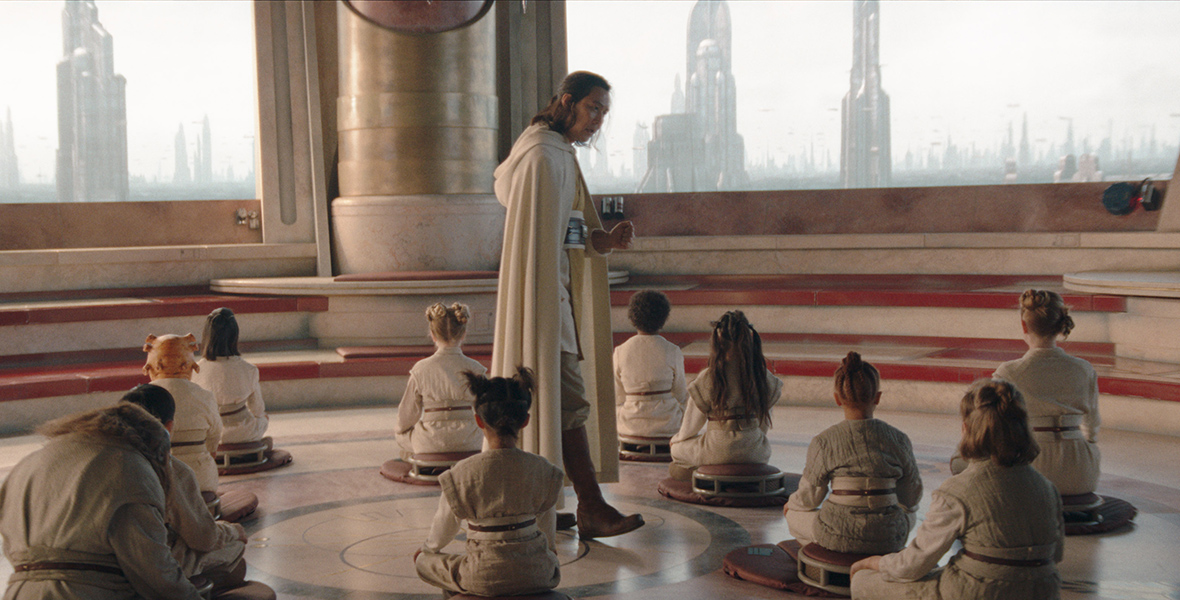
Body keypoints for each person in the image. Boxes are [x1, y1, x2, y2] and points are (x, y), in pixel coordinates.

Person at [491, 70, 642, 538]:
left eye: (604, 113)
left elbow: (564, 230)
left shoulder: (556, 154)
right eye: (593, 108)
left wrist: (604, 240)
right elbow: (539, 240)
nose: (597, 120)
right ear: (566, 101)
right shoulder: (541, 155)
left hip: (554, 299)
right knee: (568, 403)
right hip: (543, 305)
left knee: (563, 403)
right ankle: (589, 507)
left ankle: (554, 503)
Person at [849, 379, 1064, 600]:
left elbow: (912, 566)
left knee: (864, 581)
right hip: (1044, 591)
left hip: (978, 592)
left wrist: (874, 562)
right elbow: (1056, 555)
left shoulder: (958, 490)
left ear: (966, 429)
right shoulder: (1047, 488)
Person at [0, 403, 204, 599]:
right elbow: (155, 572)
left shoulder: (29, 463)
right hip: (86, 593)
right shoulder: (130, 468)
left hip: (18, 591)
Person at [414, 367, 565, 597]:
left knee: (424, 562)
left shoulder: (461, 473)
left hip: (481, 575)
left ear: (478, 420)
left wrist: (427, 550)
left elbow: (443, 529)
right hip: (538, 573)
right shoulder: (544, 470)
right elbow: (548, 531)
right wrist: (549, 552)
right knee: (549, 557)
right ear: (525, 420)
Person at [784, 352, 922, 554]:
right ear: (878, 397)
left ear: (837, 399)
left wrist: (791, 504)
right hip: (889, 535)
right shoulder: (899, 439)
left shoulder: (824, 441)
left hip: (838, 533)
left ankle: (824, 550)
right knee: (911, 512)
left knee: (793, 513)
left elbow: (809, 498)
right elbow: (911, 497)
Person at [120, 384, 249, 591]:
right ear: (170, 426)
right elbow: (203, 538)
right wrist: (232, 531)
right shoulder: (172, 470)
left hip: (91, 571)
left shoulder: (98, 459)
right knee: (234, 547)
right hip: (146, 570)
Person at [993, 289, 1100, 495]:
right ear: (1061, 324)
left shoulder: (1008, 372)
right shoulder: (1084, 369)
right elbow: (1092, 427)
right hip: (1081, 474)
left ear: (1023, 325)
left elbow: (997, 430)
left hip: (1031, 470)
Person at [668, 310, 783, 480]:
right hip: (756, 452)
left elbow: (690, 428)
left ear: (718, 341)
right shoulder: (762, 375)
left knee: (677, 449)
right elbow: (764, 424)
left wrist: (677, 440)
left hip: (716, 451)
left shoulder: (709, 376)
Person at [396, 302, 487, 457]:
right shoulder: (476, 368)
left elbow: (406, 416)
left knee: (401, 436)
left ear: (433, 335)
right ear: (463, 334)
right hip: (470, 440)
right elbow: (486, 411)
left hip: (430, 441)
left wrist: (401, 430)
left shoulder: (420, 368)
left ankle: (424, 462)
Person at [144, 333, 222, 493]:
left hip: (159, 486)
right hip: (201, 481)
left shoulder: (141, 396)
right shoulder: (205, 396)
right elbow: (214, 437)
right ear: (189, 366)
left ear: (152, 367)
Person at [192, 307, 270, 447]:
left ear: (206, 336)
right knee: (264, 418)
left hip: (209, 433)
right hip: (242, 433)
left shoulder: (196, 370)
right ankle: (250, 447)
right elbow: (258, 410)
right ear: (235, 336)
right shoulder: (249, 369)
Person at [614, 290, 687, 438]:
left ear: (632, 317)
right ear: (663, 318)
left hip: (629, 426)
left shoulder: (620, 351)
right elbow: (680, 394)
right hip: (667, 426)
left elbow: (618, 397)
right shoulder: (673, 350)